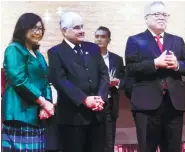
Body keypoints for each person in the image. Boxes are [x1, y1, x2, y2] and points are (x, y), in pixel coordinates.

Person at [125, 1, 185, 152]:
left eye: (164, 15)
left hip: (173, 104)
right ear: (146, 18)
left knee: (173, 147)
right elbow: (130, 69)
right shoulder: (135, 40)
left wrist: (177, 65)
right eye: (157, 14)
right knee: (146, 147)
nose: (161, 17)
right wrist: (155, 63)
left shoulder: (177, 40)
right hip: (146, 105)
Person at [48, 12, 109, 152]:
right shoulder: (55, 52)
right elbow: (60, 81)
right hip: (72, 117)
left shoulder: (93, 48)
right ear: (64, 31)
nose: (82, 31)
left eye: (82, 26)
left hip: (97, 114)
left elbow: (104, 74)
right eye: (76, 27)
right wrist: (84, 99)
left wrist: (100, 98)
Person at [1, 13, 54, 152]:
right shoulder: (14, 49)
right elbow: (18, 80)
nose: (38, 32)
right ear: (23, 29)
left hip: (37, 113)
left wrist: (46, 103)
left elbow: (46, 81)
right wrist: (43, 102)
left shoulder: (39, 55)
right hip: (19, 113)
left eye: (40, 28)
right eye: (33, 28)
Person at [94, 26, 125, 152]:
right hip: (93, 104)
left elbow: (124, 80)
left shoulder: (117, 59)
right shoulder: (88, 58)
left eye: (103, 36)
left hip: (110, 104)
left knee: (109, 142)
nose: (99, 39)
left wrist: (117, 82)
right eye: (97, 36)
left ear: (109, 40)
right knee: (93, 141)